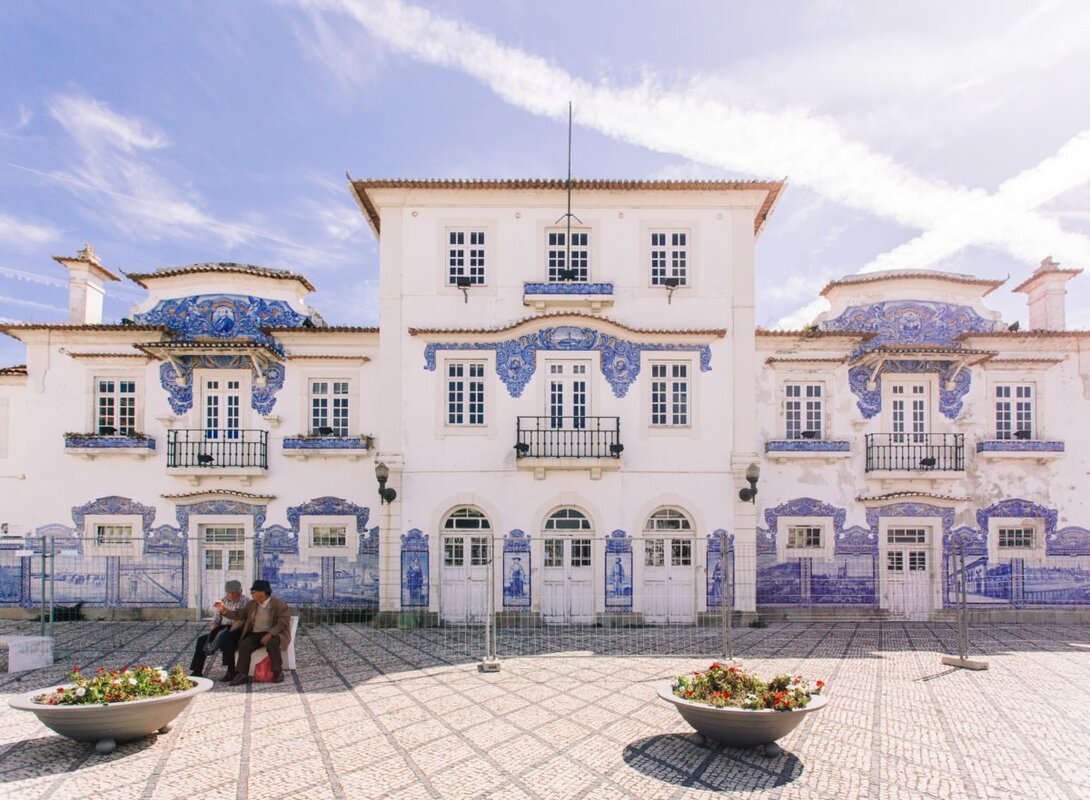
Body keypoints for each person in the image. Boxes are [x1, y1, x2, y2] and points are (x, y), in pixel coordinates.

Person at [216, 579, 292, 686]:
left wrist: (270, 634)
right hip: (256, 633)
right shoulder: (252, 604)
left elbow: (283, 623)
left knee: (272, 643)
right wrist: (223, 610)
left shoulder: (279, 604)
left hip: (274, 633)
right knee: (244, 644)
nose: (251, 595)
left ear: (263, 592)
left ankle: (277, 672)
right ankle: (242, 674)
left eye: (253, 592)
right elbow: (239, 615)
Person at [190, 579, 247, 680]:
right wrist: (214, 628)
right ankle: (197, 670)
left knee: (225, 638)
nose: (231, 595)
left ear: (240, 591)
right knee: (202, 640)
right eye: (228, 593)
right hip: (222, 629)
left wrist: (225, 631)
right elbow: (216, 619)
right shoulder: (223, 601)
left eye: (234, 593)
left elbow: (241, 619)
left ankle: (231, 670)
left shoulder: (246, 602)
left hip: (238, 630)